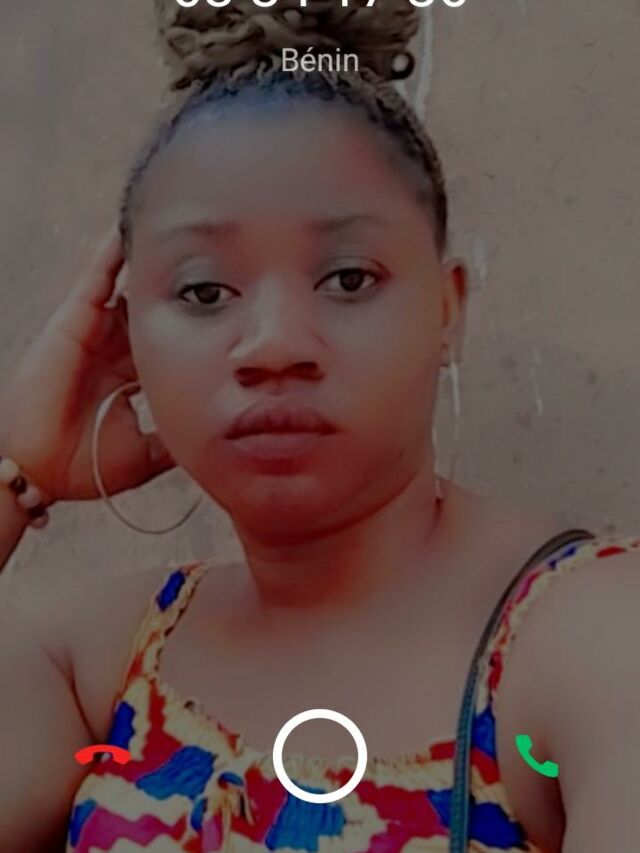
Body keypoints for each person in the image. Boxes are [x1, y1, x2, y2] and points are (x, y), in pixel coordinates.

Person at [1, 2, 639, 851]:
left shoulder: (586, 643)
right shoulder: (109, 665)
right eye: (203, 291)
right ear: (127, 336)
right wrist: (20, 474)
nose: (273, 345)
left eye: (347, 278)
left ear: (447, 310)